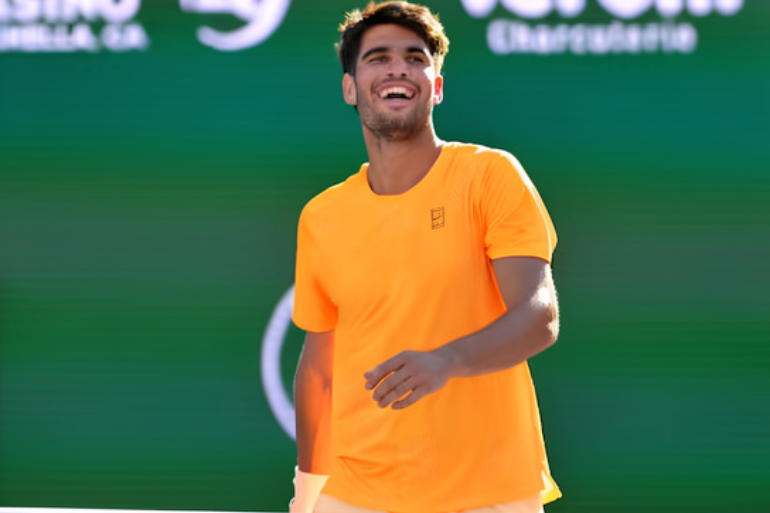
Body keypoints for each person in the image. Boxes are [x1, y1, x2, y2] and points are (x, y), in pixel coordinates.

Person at [290, 2, 561, 512]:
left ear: (435, 86)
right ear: (350, 88)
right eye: (378, 58)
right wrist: (307, 490)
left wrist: (445, 361)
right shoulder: (321, 216)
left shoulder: (490, 175)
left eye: (414, 58)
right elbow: (319, 370)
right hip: (354, 493)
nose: (397, 68)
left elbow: (538, 317)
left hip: (491, 493)